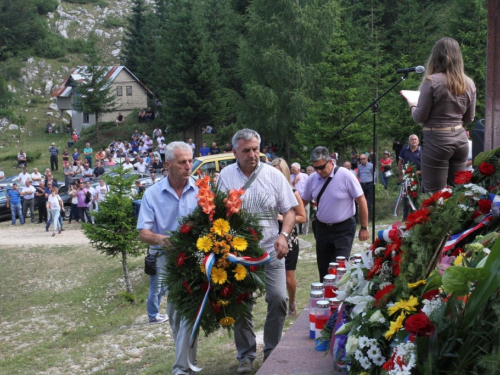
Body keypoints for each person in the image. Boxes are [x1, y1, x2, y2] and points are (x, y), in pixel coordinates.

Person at [217, 129, 297, 372]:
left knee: (279, 298)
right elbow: (218, 213)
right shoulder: (225, 176)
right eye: (246, 150)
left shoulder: (273, 175)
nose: (252, 154)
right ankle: (246, 355)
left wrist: (283, 235)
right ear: (234, 152)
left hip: (271, 250)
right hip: (238, 255)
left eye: (255, 149)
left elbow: (290, 210)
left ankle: (271, 349)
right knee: (241, 305)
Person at [137, 141, 199, 373]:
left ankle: (181, 368)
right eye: (182, 162)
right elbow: (144, 233)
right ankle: (188, 363)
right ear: (168, 164)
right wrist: (163, 240)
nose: (188, 166)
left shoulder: (202, 190)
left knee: (190, 311)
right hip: (167, 259)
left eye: (190, 161)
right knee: (175, 313)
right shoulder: (152, 194)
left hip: (197, 257)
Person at [407, 37, 476, 193]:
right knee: (458, 192)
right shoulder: (469, 83)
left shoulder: (431, 81)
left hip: (436, 141)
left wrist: (412, 105)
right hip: (460, 141)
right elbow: (469, 118)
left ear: (435, 56)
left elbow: (419, 117)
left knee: (435, 194)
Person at [301, 146, 369, 281]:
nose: (318, 171)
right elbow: (303, 201)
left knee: (339, 269)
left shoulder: (346, 175)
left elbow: (361, 200)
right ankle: (325, 300)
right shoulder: (312, 179)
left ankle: (340, 299)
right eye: (315, 168)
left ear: (330, 162)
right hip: (322, 229)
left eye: (321, 167)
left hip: (344, 228)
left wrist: (364, 227)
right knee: (324, 270)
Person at [271, 158, 306, 317]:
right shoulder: (268, 192)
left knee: (288, 278)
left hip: (289, 238)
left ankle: (292, 301)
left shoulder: (293, 192)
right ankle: (277, 305)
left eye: (278, 172)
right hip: (270, 237)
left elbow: (302, 217)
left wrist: (283, 218)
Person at [398, 134, 422, 220]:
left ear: (418, 141)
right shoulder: (404, 150)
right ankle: (405, 217)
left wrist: (421, 171)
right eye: (412, 139)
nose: (414, 141)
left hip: (419, 177)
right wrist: (400, 175)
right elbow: (400, 162)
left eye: (415, 139)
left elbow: (427, 163)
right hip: (407, 177)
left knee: (418, 195)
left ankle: (417, 215)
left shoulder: (422, 150)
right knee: (406, 196)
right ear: (409, 141)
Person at [290, 162, 309, 235]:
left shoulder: (305, 176)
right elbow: (288, 187)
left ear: (299, 169)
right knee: (295, 214)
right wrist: (294, 182)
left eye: (294, 169)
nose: (292, 170)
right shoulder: (290, 176)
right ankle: (296, 231)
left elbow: (308, 186)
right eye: (292, 169)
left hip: (304, 198)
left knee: (306, 215)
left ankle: (305, 231)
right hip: (294, 199)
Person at [357, 154, 374, 221]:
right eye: (361, 159)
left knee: (369, 202)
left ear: (367, 159)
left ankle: (369, 218)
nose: (363, 160)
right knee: (362, 202)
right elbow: (359, 175)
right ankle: (363, 218)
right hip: (362, 185)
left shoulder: (371, 165)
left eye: (364, 158)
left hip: (369, 184)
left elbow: (374, 174)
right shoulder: (359, 166)